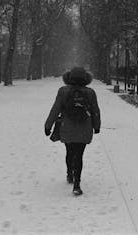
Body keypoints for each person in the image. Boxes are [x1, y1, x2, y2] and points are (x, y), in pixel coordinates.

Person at [44, 67, 101, 196]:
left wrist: (48, 125)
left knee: (69, 151)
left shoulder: (63, 91)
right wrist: (96, 126)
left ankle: (70, 173)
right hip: (84, 127)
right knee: (79, 155)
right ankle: (77, 184)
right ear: (86, 78)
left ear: (69, 78)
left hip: (67, 126)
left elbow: (55, 109)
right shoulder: (90, 92)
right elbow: (95, 111)